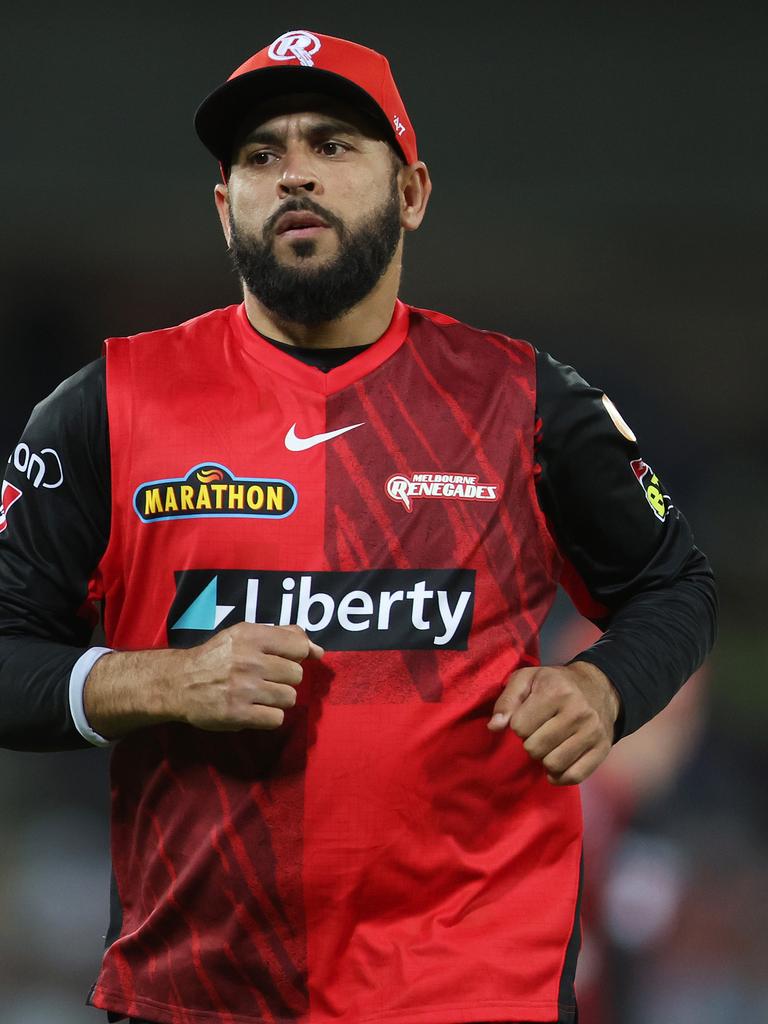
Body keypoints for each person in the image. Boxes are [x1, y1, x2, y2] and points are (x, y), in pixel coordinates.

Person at [0, 28, 716, 1024]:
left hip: (474, 992)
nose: (295, 173)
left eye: (334, 145)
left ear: (412, 191)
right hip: (200, 996)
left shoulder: (529, 401)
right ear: (225, 206)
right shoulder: (104, 408)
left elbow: (676, 585)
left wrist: (606, 685)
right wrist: (164, 677)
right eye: (261, 154)